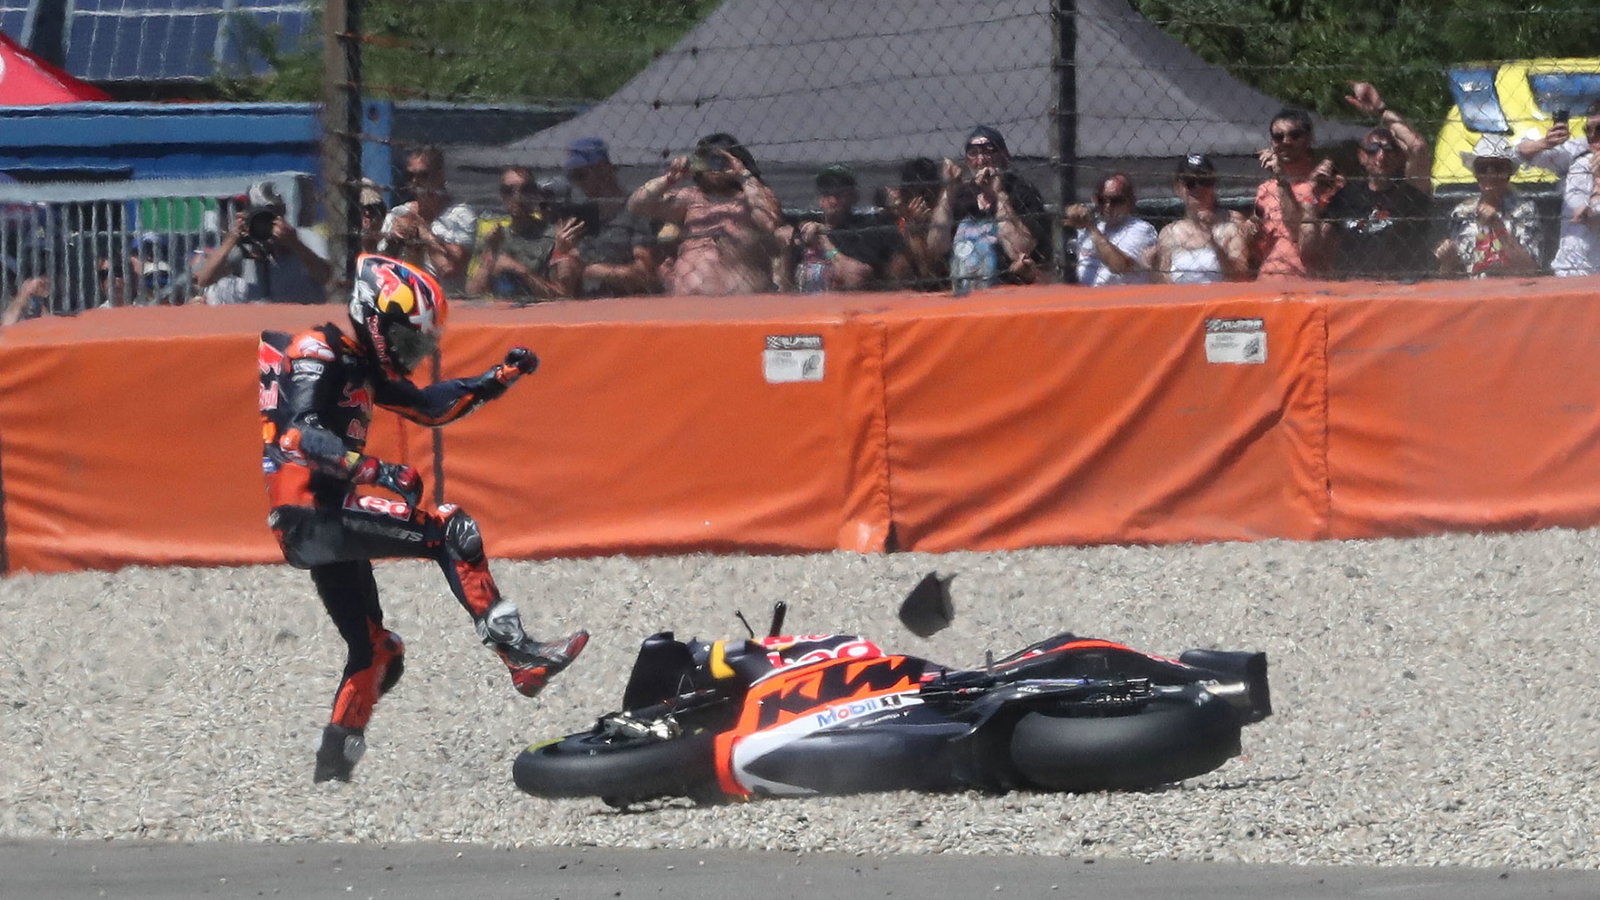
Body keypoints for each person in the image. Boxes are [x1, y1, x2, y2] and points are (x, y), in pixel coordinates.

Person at [259, 253, 588, 783]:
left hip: (321, 515)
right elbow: (299, 436)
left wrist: (496, 379)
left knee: (375, 651)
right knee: (450, 530)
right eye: (408, 339)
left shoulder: (361, 364)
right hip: (313, 510)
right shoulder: (317, 349)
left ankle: (330, 776)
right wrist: (375, 469)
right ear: (374, 318)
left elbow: (429, 406)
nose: (412, 353)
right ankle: (521, 657)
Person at [627, 133, 784, 295]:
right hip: (687, 305)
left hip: (741, 302)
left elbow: (770, 222)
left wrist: (743, 174)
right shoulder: (690, 198)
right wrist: (670, 179)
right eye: (707, 160)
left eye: (721, 160)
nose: (714, 167)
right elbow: (637, 204)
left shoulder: (752, 196)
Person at [927, 126, 1050, 289]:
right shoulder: (960, 195)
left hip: (1007, 290)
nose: (981, 160)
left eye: (989, 151)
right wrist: (948, 192)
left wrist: (998, 195)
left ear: (1004, 156)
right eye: (973, 153)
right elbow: (936, 246)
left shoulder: (1020, 191)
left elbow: (1020, 249)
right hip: (964, 293)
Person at [1321, 122, 1434, 281]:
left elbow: (1418, 147)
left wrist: (1383, 111)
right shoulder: (1346, 195)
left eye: (1389, 149)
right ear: (1361, 156)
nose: (1381, 156)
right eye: (1373, 149)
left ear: (1400, 156)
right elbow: (1321, 243)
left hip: (1395, 282)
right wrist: (1311, 197)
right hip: (1353, 282)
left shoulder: (1409, 192)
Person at [194, 182, 334, 304]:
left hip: (299, 322)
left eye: (272, 213)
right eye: (258, 215)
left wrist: (294, 243)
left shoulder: (307, 237)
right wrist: (232, 239)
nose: (265, 222)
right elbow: (204, 279)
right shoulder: (243, 245)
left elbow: (324, 276)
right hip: (257, 325)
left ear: (283, 210)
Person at [786, 164, 910, 292]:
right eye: (827, 192)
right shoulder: (805, 225)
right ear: (820, 199)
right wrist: (786, 249)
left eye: (840, 193)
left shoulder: (863, 230)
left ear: (853, 196)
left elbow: (856, 277)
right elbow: (783, 280)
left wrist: (823, 241)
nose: (833, 200)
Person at [466, 167, 584, 301]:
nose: (517, 196)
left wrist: (521, 272)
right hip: (502, 314)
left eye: (525, 189)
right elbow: (473, 293)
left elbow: (562, 296)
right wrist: (490, 252)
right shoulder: (496, 237)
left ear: (534, 194)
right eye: (508, 191)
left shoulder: (554, 237)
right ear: (502, 196)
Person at [1435, 134, 1543, 278]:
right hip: (1470, 292)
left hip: (1512, 290)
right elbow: (1451, 276)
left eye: (1497, 168)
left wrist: (1498, 227)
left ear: (1508, 173)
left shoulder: (1524, 210)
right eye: (1482, 168)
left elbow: (1530, 270)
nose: (1489, 173)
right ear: (1475, 173)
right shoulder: (1462, 212)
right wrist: (1448, 260)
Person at [1252, 107, 1341, 280]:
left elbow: (1297, 231)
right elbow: (1257, 242)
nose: (1286, 141)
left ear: (1309, 138)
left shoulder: (1325, 183)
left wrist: (1282, 180)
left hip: (1304, 282)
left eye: (1294, 135)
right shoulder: (1265, 189)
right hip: (1267, 280)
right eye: (1278, 137)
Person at [563, 137, 659, 296]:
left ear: (604, 169)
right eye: (574, 177)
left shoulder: (636, 210)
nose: (579, 183)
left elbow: (645, 273)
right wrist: (562, 252)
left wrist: (594, 270)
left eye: (581, 175)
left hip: (630, 301)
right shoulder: (582, 216)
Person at [1516, 99, 1600, 277]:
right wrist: (1546, 143)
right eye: (1588, 130)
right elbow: (1520, 153)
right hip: (1569, 269)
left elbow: (1592, 217)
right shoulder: (1580, 150)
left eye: (1599, 130)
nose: (1592, 138)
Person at [378, 146, 476, 293]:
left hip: (447, 300)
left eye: (423, 175)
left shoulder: (460, 215)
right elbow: (379, 268)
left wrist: (424, 234)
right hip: (403, 299)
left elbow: (450, 270)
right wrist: (394, 239)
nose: (415, 181)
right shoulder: (397, 213)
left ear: (440, 176)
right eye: (410, 176)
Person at [1150, 154, 1252, 284]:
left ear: (1213, 185)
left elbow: (1241, 277)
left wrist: (1214, 243)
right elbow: (1163, 284)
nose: (1198, 187)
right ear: (1178, 188)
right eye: (1190, 182)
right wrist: (1153, 266)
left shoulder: (1232, 223)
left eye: (1205, 181)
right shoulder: (1169, 233)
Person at [1062, 172, 1157, 286]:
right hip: (1084, 296)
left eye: (1115, 200)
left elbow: (1119, 266)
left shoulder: (1141, 230)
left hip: (1120, 298)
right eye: (1102, 200)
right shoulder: (1088, 228)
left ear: (1131, 201)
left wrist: (1092, 228)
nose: (1107, 206)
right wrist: (1069, 214)